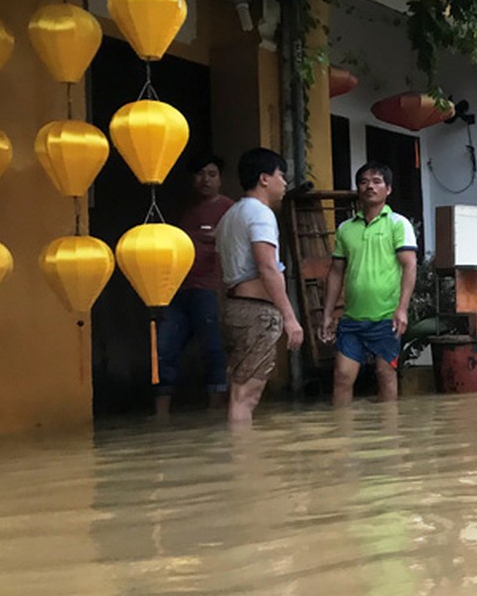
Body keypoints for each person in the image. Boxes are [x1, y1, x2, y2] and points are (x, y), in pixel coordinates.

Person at [215, 148, 304, 423]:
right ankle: (245, 460)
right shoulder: (260, 214)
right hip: (256, 312)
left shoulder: (230, 215)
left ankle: (241, 455)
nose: (284, 183)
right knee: (247, 396)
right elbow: (267, 267)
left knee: (238, 391)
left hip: (235, 307)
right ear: (264, 178)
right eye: (281, 176)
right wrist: (290, 319)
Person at [319, 161, 418, 405]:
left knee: (385, 375)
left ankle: (390, 436)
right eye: (363, 182)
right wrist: (327, 314)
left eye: (376, 181)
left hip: (387, 318)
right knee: (342, 377)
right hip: (352, 319)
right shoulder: (345, 229)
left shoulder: (398, 223)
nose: (369, 187)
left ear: (388, 189)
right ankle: (343, 436)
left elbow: (410, 265)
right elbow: (335, 273)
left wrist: (402, 309)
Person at [155, 155, 235, 416]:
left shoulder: (229, 210)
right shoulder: (186, 211)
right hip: (177, 289)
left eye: (212, 174)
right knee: (163, 350)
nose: (206, 180)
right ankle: (161, 412)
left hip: (209, 290)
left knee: (212, 348)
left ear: (220, 179)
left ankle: (214, 409)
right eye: (200, 174)